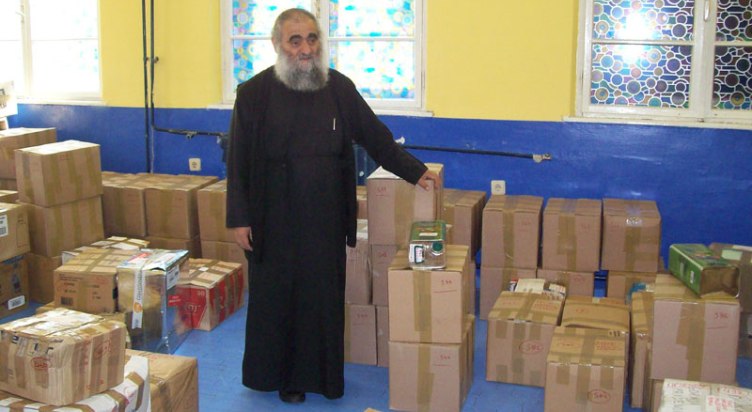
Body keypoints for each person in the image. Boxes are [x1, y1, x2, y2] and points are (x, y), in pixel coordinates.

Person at [225, 8, 440, 404]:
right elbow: (237, 161)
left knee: (321, 299)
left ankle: (324, 378)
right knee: (279, 299)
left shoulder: (338, 88)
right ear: (277, 45)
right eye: (295, 40)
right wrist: (240, 218)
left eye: (312, 39)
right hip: (273, 218)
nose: (306, 48)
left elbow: (376, 137)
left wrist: (415, 171)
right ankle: (284, 379)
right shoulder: (253, 94)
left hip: (325, 217)